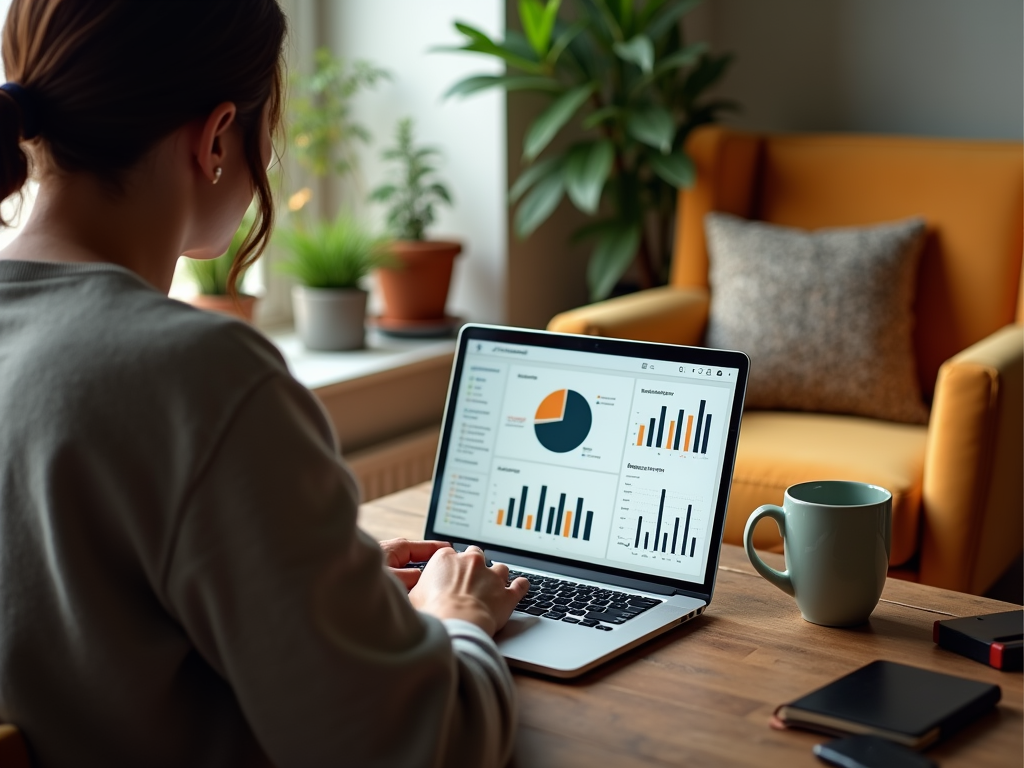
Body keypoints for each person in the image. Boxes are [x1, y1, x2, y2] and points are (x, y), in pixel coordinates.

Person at [0, 1, 529, 766]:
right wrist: (459, 618)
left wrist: (303, 583)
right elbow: (420, 746)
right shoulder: (197, 374)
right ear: (217, 137)